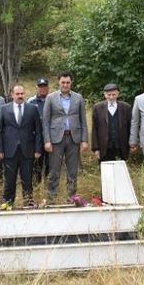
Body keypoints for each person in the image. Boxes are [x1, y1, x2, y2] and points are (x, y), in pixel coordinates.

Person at [42, 72, 88, 203]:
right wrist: (47, 141)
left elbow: (83, 121)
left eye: (68, 82)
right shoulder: (50, 98)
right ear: (59, 82)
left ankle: (71, 198)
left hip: (74, 138)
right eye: (63, 82)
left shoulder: (78, 98)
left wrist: (84, 140)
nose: (65, 85)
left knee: (72, 170)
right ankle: (51, 198)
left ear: (71, 83)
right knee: (54, 170)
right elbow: (45, 121)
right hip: (56, 139)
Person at [0, 84, 43, 207]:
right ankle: (8, 205)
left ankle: (28, 204)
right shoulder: (4, 109)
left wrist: (38, 149)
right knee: (9, 181)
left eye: (22, 93)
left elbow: (38, 131)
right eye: (17, 94)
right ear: (12, 95)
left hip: (27, 151)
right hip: (9, 151)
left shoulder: (32, 109)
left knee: (27, 181)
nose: (20, 96)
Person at [91, 83, 132, 162]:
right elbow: (94, 129)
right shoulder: (97, 108)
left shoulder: (126, 107)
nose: (111, 97)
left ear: (118, 94)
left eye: (114, 94)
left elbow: (130, 127)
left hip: (121, 146)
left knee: (121, 168)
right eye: (109, 95)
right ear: (104, 94)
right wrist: (96, 148)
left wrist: (132, 143)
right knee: (106, 168)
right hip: (104, 147)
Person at [27, 77, 50, 184]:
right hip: (36, 139)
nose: (42, 89)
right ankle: (37, 187)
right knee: (36, 166)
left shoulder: (52, 100)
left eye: (45, 86)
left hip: (50, 138)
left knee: (50, 166)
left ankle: (48, 188)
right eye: (40, 86)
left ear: (48, 88)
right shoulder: (30, 101)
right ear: (36, 88)